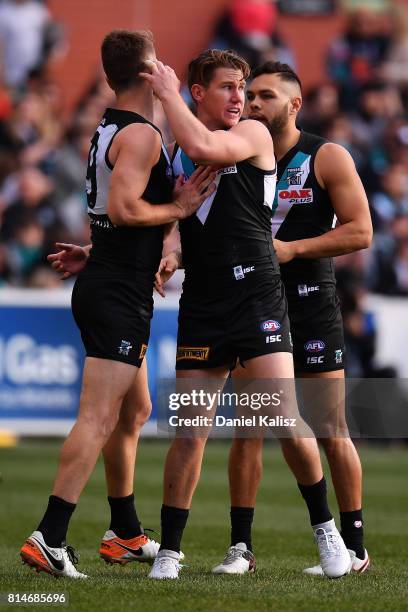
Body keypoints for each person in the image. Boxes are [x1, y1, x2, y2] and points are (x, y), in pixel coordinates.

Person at [140, 50, 351, 580]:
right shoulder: (176, 153)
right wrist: (167, 248)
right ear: (199, 93)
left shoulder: (253, 135)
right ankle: (169, 550)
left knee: (280, 417)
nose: (242, 98)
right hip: (204, 303)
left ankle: (327, 530)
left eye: (245, 88)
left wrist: (164, 94)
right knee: (190, 430)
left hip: (257, 296)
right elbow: (175, 219)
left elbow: (204, 144)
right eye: (230, 88)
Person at [20, 29, 214, 579]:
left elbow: (111, 213)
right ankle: (49, 537)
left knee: (135, 411)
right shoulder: (144, 136)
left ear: (109, 76)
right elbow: (128, 209)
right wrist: (179, 205)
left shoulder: (110, 125)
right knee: (99, 417)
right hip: (119, 292)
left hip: (110, 278)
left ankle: (124, 532)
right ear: (149, 72)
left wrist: (96, 250)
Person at [213, 61, 372, 575]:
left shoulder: (326, 156)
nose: (253, 104)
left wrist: (294, 248)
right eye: (248, 95)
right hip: (253, 301)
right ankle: (241, 548)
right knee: (250, 426)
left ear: (294, 105)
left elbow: (361, 231)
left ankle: (355, 549)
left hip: (309, 300)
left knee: (330, 427)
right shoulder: (235, 152)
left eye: (265, 96)